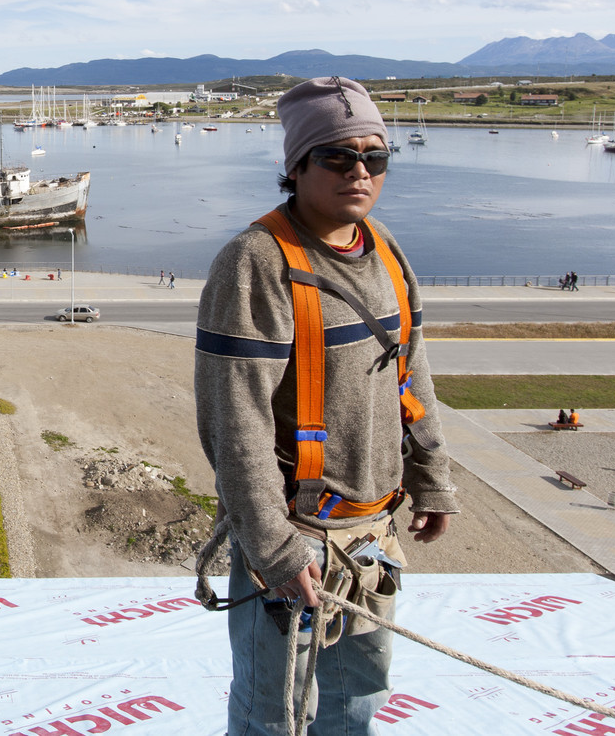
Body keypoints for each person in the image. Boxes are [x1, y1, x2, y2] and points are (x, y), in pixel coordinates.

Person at [195, 76, 456, 736]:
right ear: (296, 167)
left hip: (373, 536)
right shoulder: (256, 263)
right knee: (273, 715)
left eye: (375, 157)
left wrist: (431, 478)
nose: (360, 171)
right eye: (338, 156)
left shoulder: (383, 248)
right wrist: (274, 548)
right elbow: (235, 420)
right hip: (295, 539)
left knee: (356, 704)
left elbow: (410, 373)